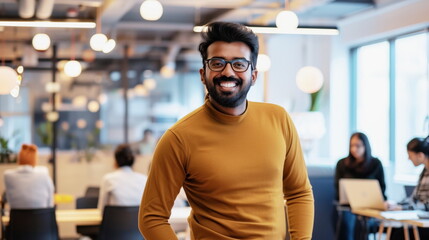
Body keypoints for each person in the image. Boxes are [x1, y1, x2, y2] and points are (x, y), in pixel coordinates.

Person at [139, 21, 314, 240]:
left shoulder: (278, 119)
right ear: (203, 74)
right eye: (217, 63)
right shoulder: (179, 138)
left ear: (254, 75)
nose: (228, 72)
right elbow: (151, 217)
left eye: (239, 64)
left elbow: (299, 192)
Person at [334, 132, 387, 240]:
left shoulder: (375, 164)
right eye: (352, 145)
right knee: (348, 220)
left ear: (365, 146)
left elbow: (382, 188)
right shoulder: (342, 164)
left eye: (358, 145)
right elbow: (337, 188)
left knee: (365, 222)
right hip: (348, 207)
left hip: (371, 206)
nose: (354, 149)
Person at [390, 135, 429, 240]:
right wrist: (397, 205)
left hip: (426, 224)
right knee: (395, 232)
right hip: (421, 221)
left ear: (420, 155)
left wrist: (404, 207)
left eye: (410, 155)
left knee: (398, 236)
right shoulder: (424, 172)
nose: (408, 158)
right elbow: (414, 198)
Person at [98, 144, 148, 210]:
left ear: (115, 161)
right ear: (133, 161)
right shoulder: (144, 179)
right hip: (137, 220)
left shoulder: (108, 179)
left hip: (113, 220)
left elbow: (101, 210)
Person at [4, 144, 54, 209]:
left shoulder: (8, 176)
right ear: (35, 159)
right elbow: (50, 203)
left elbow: (9, 198)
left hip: (17, 218)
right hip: (42, 218)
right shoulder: (44, 174)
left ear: (19, 159)